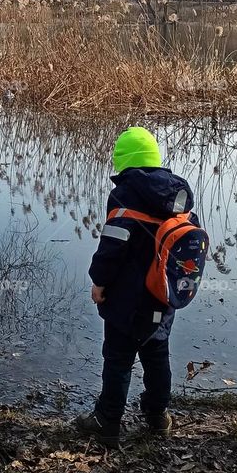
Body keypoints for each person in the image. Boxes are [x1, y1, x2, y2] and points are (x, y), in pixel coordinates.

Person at [75, 126, 205, 449]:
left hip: (126, 303)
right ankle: (158, 415)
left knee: (118, 360)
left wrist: (98, 282)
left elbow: (112, 247)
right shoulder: (179, 197)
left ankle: (107, 422)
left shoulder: (125, 195)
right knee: (157, 355)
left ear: (124, 162)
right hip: (163, 297)